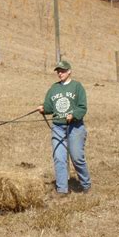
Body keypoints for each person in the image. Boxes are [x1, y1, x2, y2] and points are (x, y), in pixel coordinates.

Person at [37, 60, 91, 195]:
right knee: (59, 157)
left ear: (69, 71)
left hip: (75, 127)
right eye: (58, 71)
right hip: (58, 127)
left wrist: (73, 115)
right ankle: (62, 190)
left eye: (62, 71)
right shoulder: (54, 88)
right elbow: (50, 107)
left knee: (77, 157)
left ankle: (86, 185)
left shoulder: (77, 87)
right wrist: (43, 109)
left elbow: (82, 107)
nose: (60, 73)